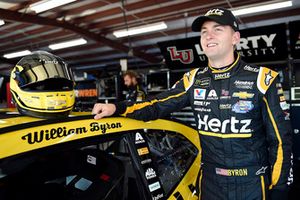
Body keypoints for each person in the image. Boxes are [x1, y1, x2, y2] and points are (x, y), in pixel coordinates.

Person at [92, 7, 292, 200]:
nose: (208, 36)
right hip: (211, 183)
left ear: (235, 38)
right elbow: (156, 104)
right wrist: (117, 107)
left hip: (252, 183)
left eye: (217, 30)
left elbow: (281, 141)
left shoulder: (263, 80)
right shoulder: (193, 79)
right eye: (204, 32)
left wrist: (280, 187)